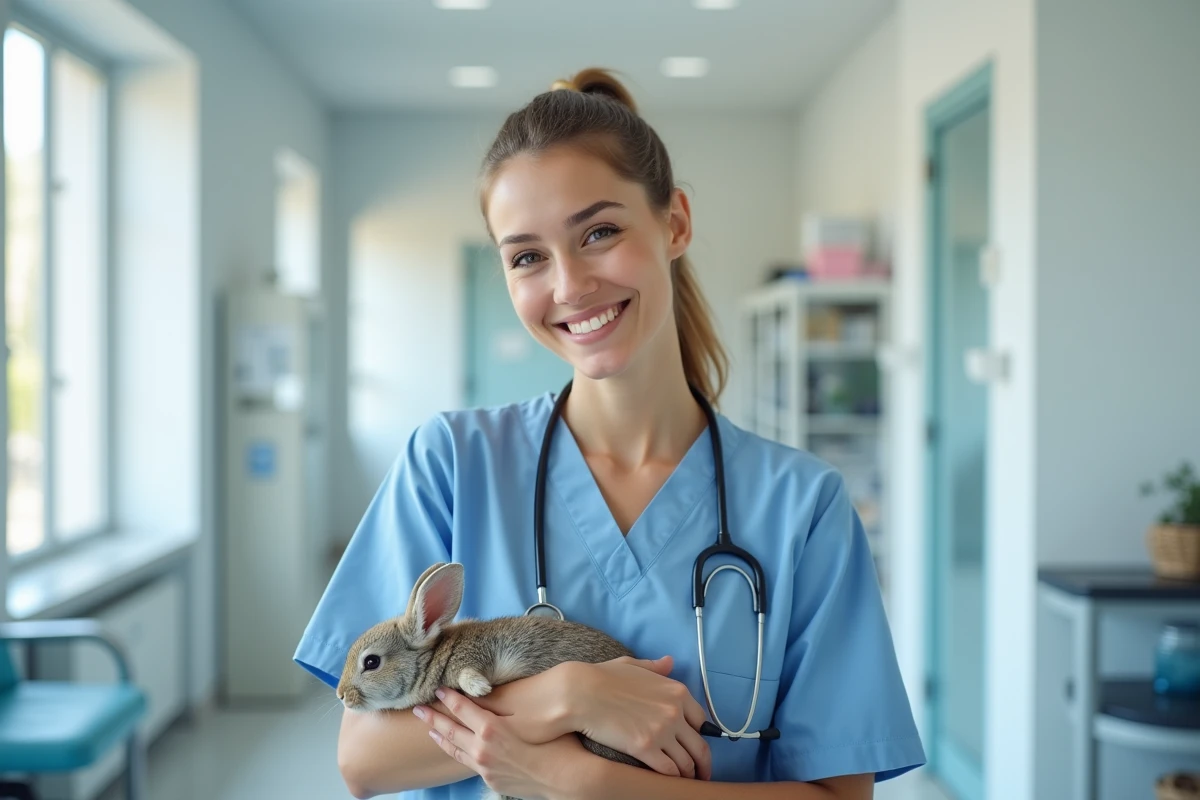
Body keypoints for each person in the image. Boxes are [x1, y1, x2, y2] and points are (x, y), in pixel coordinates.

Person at [294, 67, 925, 800]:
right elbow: (365, 758)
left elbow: (839, 797)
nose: (569, 285)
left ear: (675, 222)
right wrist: (567, 697)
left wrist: (583, 780)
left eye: (599, 232)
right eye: (527, 256)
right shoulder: (453, 465)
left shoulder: (801, 506)